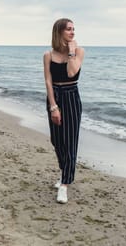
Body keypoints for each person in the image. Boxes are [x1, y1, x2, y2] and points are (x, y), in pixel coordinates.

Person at [43, 18, 84, 204]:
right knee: (56, 139)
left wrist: (72, 52)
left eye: (73, 29)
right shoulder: (48, 55)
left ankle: (65, 184)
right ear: (59, 32)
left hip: (71, 96)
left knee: (70, 141)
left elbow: (71, 73)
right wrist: (53, 106)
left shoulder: (79, 52)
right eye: (68, 29)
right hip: (55, 97)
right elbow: (48, 81)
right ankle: (65, 172)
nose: (72, 32)